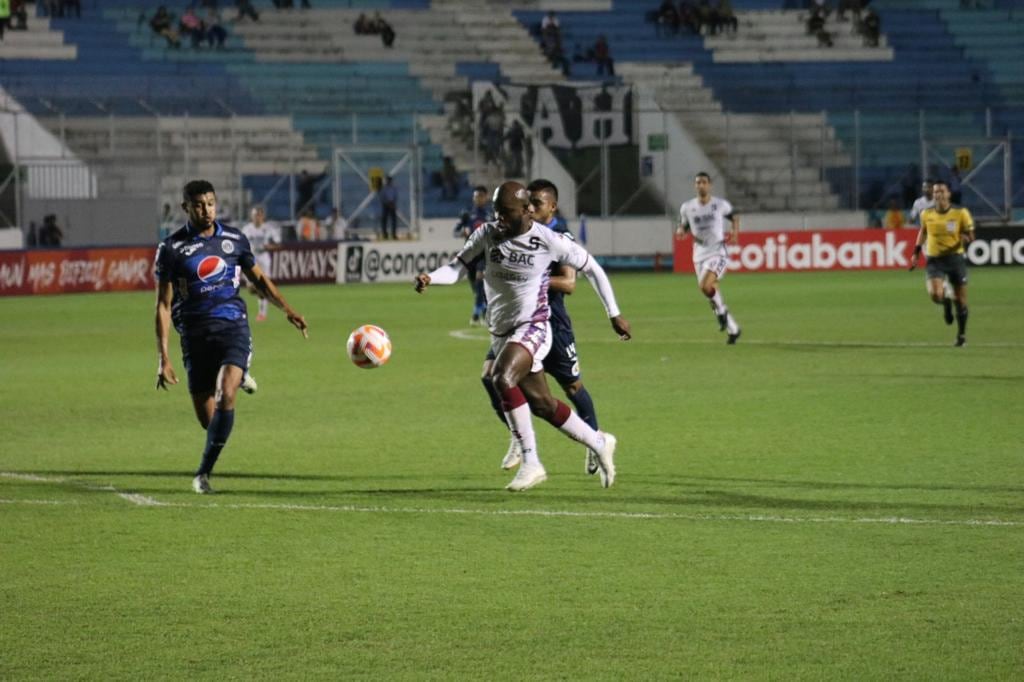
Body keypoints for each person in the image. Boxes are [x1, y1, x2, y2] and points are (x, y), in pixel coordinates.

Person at [415, 181, 632, 492]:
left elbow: (593, 268)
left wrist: (614, 313)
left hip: (534, 326)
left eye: (505, 212)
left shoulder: (548, 240)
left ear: (526, 211)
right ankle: (599, 441)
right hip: (501, 330)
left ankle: (531, 461)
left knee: (501, 377)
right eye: (496, 212)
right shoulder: (487, 233)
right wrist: (430, 278)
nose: (499, 218)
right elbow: (456, 268)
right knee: (543, 404)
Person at [155, 180, 307, 494]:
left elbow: (260, 280)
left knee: (226, 394)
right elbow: (164, 305)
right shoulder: (171, 249)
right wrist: (163, 358)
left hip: (232, 326)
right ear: (186, 208)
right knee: (210, 423)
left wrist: (287, 309)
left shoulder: (235, 240)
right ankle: (239, 377)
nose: (206, 209)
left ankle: (202, 474)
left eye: (210, 203)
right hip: (194, 336)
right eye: (198, 204)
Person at [481, 179, 607, 477]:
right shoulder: (517, 231)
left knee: (572, 387)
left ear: (552, 206)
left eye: (538, 203)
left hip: (553, 322)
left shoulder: (559, 236)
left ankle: (594, 440)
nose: (532, 209)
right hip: (517, 322)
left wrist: (531, 278)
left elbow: (570, 283)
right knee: (492, 376)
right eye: (530, 203)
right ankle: (519, 437)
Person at [677, 172, 741, 343]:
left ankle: (721, 312)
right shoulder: (687, 207)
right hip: (698, 254)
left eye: (704, 182)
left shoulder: (719, 204)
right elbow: (684, 224)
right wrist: (681, 231)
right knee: (711, 292)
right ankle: (733, 329)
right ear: (695, 185)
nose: (701, 185)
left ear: (709, 185)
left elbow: (734, 216)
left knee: (705, 286)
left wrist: (735, 233)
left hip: (717, 251)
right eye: (698, 182)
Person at [909, 180, 974, 347]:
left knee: (960, 301)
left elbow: (970, 235)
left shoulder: (961, 213)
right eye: (935, 191)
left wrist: (964, 238)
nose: (938, 194)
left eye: (941, 191)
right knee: (935, 295)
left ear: (948, 194)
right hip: (934, 259)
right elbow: (922, 233)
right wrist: (915, 254)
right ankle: (945, 302)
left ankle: (961, 335)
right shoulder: (926, 214)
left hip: (955, 259)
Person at [453, 185, 492, 325]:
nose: (478, 199)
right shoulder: (467, 213)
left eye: (481, 196)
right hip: (470, 254)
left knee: (480, 278)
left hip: (485, 253)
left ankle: (475, 315)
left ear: (486, 197)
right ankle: (484, 310)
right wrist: (462, 232)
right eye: (476, 197)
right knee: (476, 288)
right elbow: (455, 232)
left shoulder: (491, 214)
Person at [241, 205, 282, 322]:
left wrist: (268, 246)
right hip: (250, 260)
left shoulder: (269, 229)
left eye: (259, 215)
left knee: (262, 286)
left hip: (264, 260)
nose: (257, 218)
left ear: (263, 217)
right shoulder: (247, 229)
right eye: (255, 215)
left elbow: (278, 244)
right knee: (250, 288)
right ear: (251, 216)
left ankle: (262, 313)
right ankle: (266, 295)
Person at [378, 175, 398, 240]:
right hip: (386, 205)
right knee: (384, 220)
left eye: (390, 180)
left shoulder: (393, 188)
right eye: (388, 180)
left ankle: (394, 234)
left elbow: (395, 196)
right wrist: (388, 203)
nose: (389, 182)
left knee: (394, 220)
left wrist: (393, 203)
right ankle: (385, 234)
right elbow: (382, 197)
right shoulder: (383, 188)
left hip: (392, 204)